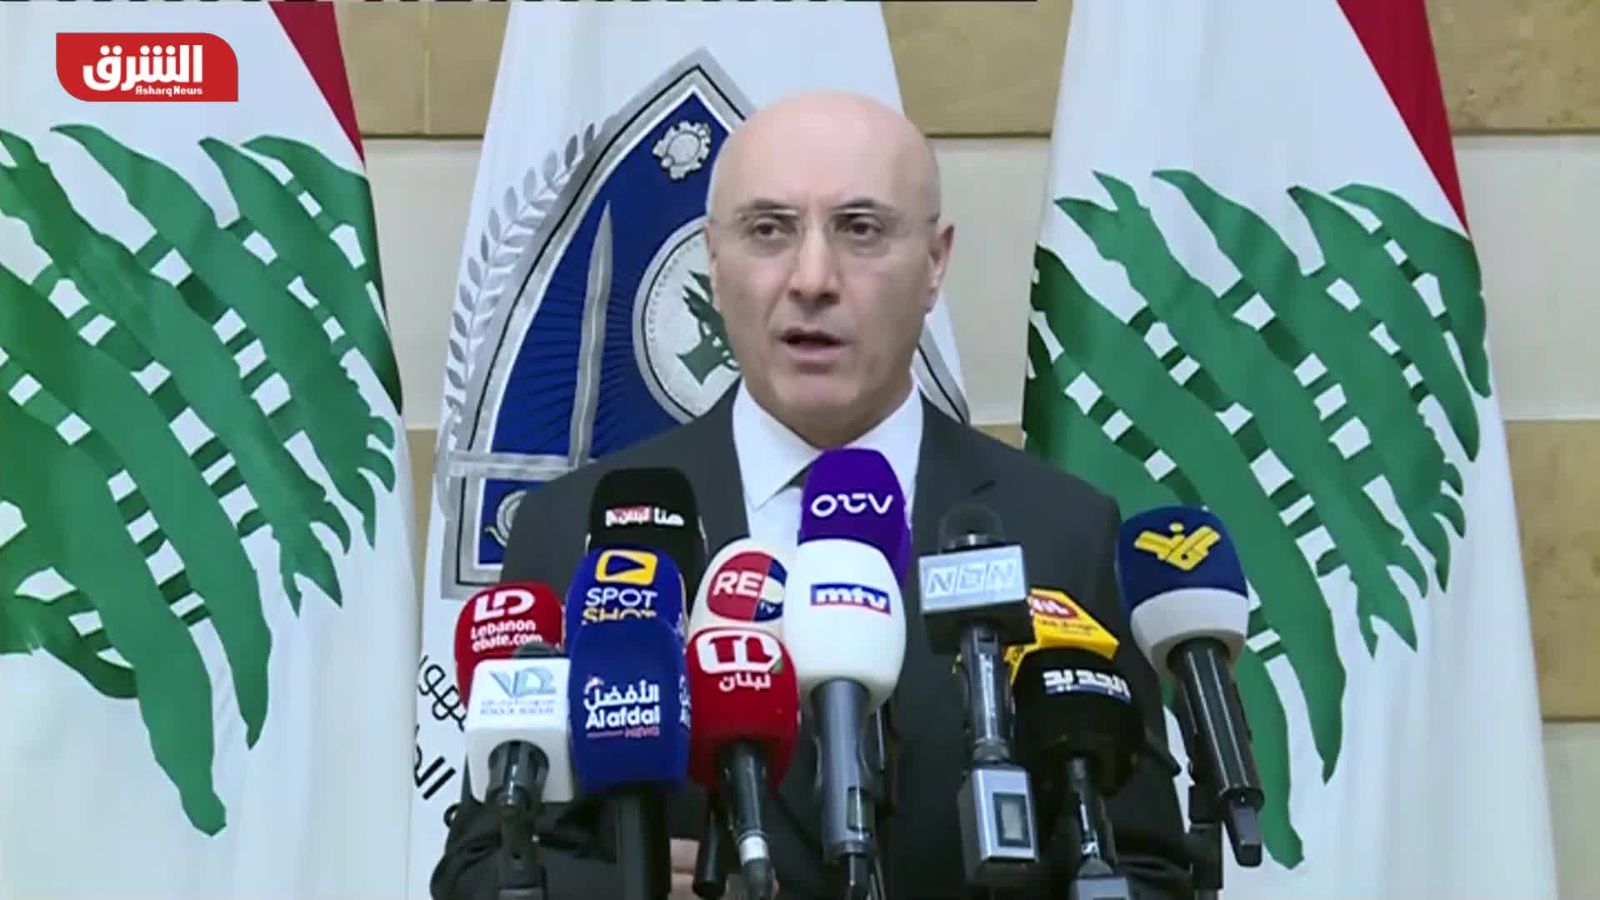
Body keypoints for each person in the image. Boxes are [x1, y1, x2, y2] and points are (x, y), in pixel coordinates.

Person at [431, 89, 1192, 900]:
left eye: (861, 230)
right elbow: (481, 870)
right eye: (769, 230)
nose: (813, 279)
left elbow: (1147, 870)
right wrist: (632, 887)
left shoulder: (1059, 531)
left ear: (935, 262)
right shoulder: (577, 530)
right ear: (714, 262)